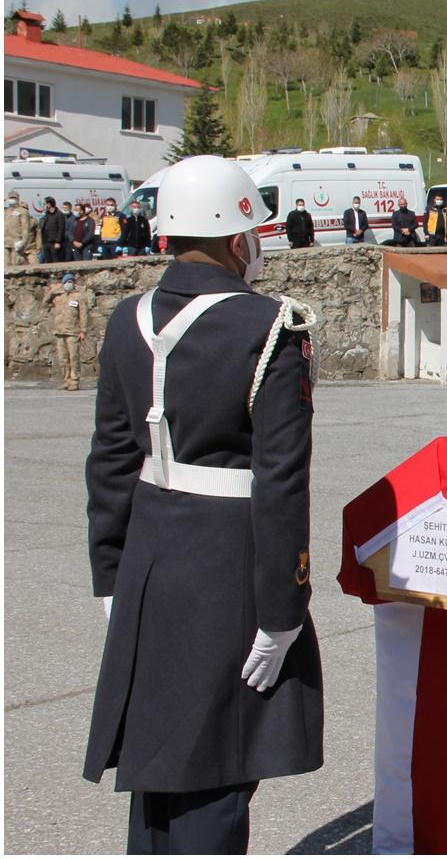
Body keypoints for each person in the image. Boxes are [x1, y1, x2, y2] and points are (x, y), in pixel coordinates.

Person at [84, 156, 323, 853]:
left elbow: (110, 461)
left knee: (160, 761)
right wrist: (282, 610)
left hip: (149, 559)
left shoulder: (126, 319)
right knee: (219, 768)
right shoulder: (271, 327)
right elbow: (281, 482)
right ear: (237, 238)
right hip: (229, 567)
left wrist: (111, 576)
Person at [45, 271, 88, 390]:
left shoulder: (79, 297)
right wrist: (52, 291)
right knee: (62, 358)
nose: (69, 284)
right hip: (59, 331)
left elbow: (83, 314)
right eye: (67, 282)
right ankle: (66, 380)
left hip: (73, 332)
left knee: (73, 357)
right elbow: (45, 302)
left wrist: (83, 330)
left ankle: (74, 381)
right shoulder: (58, 296)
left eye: (71, 282)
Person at [7, 190, 37, 265]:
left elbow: (26, 229)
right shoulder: (6, 211)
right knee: (5, 265)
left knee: (15, 264)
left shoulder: (22, 211)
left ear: (18, 199)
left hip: (17, 242)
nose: (12, 199)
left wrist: (23, 242)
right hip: (5, 242)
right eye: (11, 198)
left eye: (14, 198)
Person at [39, 196, 65, 264]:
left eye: (44, 204)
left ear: (49, 204)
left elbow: (61, 229)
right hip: (46, 242)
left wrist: (58, 242)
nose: (43, 206)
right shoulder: (46, 215)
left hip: (54, 243)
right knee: (48, 262)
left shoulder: (59, 214)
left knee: (56, 262)